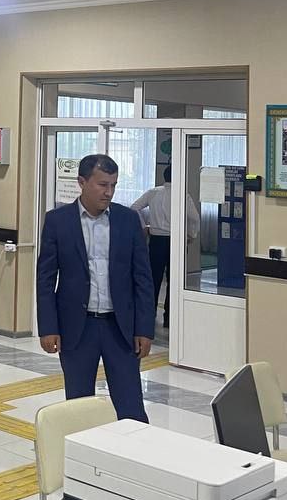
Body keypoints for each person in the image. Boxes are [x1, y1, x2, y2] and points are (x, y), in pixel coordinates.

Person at [36, 153, 154, 422]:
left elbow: (143, 278)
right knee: (79, 406)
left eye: (113, 185)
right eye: (102, 185)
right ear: (82, 182)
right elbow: (45, 278)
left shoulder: (127, 220)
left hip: (120, 328)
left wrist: (144, 328)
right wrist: (48, 327)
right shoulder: (58, 221)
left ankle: (135, 447)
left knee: (131, 405)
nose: (109, 192)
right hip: (77, 328)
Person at [128, 165, 199, 331]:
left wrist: (143, 226)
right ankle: (169, 318)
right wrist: (191, 235)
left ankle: (148, 315)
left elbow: (134, 208)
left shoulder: (153, 192)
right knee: (174, 280)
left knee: (153, 279)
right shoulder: (183, 195)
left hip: (156, 240)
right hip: (176, 241)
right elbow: (194, 218)